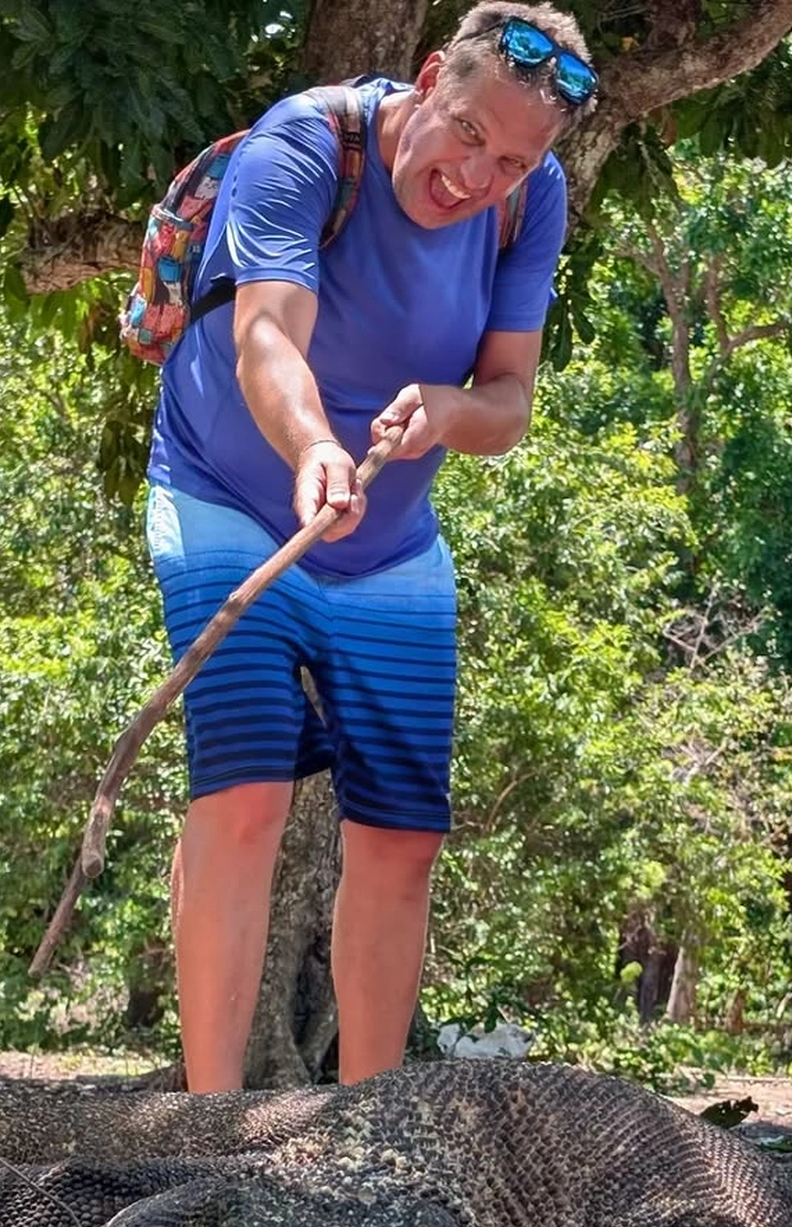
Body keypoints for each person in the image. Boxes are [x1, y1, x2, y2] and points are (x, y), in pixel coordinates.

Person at [143, 3, 598, 1092]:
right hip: (229, 497)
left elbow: (510, 402)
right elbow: (266, 336)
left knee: (401, 839)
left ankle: (371, 1129)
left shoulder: (530, 205)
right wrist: (312, 446)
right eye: (468, 134)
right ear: (431, 76)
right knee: (244, 793)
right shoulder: (305, 144)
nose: (478, 175)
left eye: (513, 159)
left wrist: (445, 411)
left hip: (390, 547)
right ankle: (209, 1124)